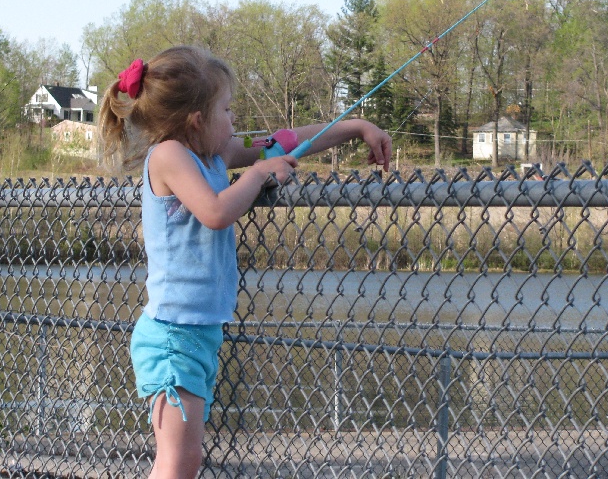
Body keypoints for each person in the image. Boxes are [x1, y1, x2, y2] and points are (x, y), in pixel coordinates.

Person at [98, 45, 391, 479]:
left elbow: (285, 139)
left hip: (198, 332)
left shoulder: (216, 154)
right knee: (178, 461)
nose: (234, 120)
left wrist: (355, 127)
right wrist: (257, 175)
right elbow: (215, 212)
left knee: (186, 459)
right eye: (228, 109)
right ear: (198, 119)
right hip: (172, 336)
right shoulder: (170, 156)